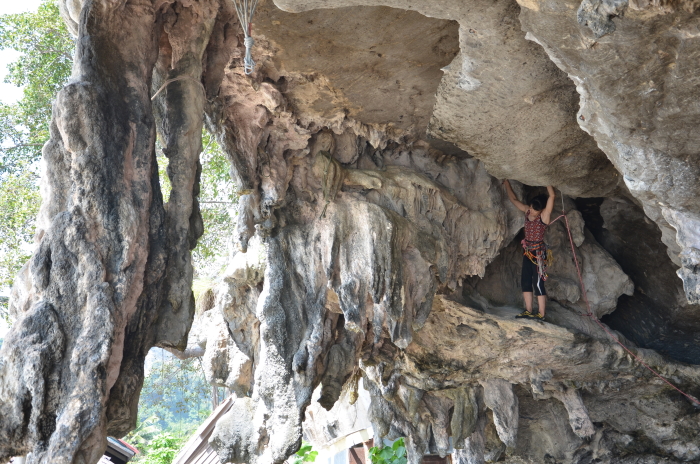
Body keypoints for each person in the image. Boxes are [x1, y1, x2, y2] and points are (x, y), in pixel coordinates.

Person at [503, 180, 555, 320]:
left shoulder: (543, 217)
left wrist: (547, 180)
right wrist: (507, 184)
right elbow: (514, 200)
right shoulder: (527, 211)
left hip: (538, 254)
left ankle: (541, 314)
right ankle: (528, 310)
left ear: (541, 211)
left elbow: (551, 196)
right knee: (525, 281)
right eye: (531, 207)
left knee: (538, 283)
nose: (531, 211)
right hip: (528, 253)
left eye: (534, 210)